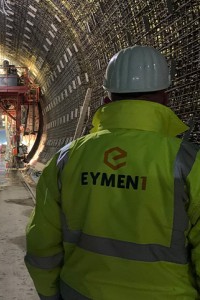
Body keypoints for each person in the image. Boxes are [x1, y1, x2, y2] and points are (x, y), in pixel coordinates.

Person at [25, 45, 200, 299]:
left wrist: (50, 295)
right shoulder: (189, 163)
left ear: (106, 100)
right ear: (165, 99)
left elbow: (41, 243)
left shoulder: (67, 159)